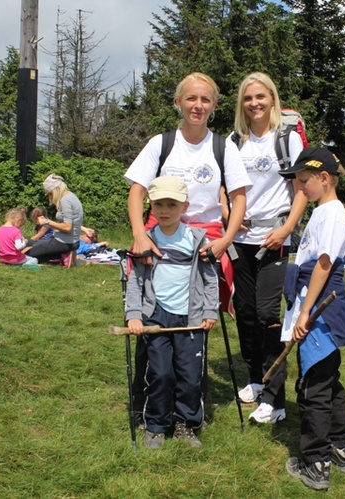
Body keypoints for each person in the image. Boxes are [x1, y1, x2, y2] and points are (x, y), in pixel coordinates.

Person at [125, 72, 251, 426]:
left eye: (205, 100)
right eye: (191, 99)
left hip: (205, 240)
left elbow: (239, 196)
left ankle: (191, 397)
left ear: (214, 105)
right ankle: (147, 398)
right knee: (152, 310)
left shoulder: (223, 146)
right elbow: (137, 191)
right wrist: (139, 234)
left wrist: (225, 240)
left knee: (197, 315)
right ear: (178, 102)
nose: (198, 106)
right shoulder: (161, 143)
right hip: (160, 234)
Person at [227, 72, 307, 423]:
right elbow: (223, 185)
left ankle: (275, 397)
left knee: (266, 314)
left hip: (275, 237)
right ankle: (255, 377)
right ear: (241, 104)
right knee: (244, 313)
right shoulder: (233, 140)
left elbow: (304, 189)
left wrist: (287, 229)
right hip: (240, 240)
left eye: (261, 97)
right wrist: (230, 212)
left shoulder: (287, 139)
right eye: (248, 98)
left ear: (272, 99)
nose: (255, 104)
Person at [278, 147, 345, 491]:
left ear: (325, 178)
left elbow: (324, 264)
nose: (300, 187)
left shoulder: (333, 213)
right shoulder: (324, 211)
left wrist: (306, 311)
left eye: (304, 180)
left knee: (314, 388)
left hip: (321, 310)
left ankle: (315, 462)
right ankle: (340, 446)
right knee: (328, 381)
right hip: (314, 302)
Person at [125, 177, 218, 449]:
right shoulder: (146, 240)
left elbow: (210, 279)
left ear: (184, 206)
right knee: (160, 373)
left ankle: (186, 424)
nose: (164, 210)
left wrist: (209, 310)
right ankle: (155, 424)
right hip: (156, 317)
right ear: (150, 205)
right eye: (158, 204)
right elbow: (136, 281)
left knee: (190, 376)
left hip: (190, 319)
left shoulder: (196, 239)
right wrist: (134, 314)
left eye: (172, 204)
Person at [27, 174, 84, 268]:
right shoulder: (72, 196)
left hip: (64, 242)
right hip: (71, 241)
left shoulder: (66, 200)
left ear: (56, 189)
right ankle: (63, 255)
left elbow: (67, 227)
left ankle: (64, 254)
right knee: (38, 247)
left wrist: (47, 222)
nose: (50, 196)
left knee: (30, 252)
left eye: (50, 193)